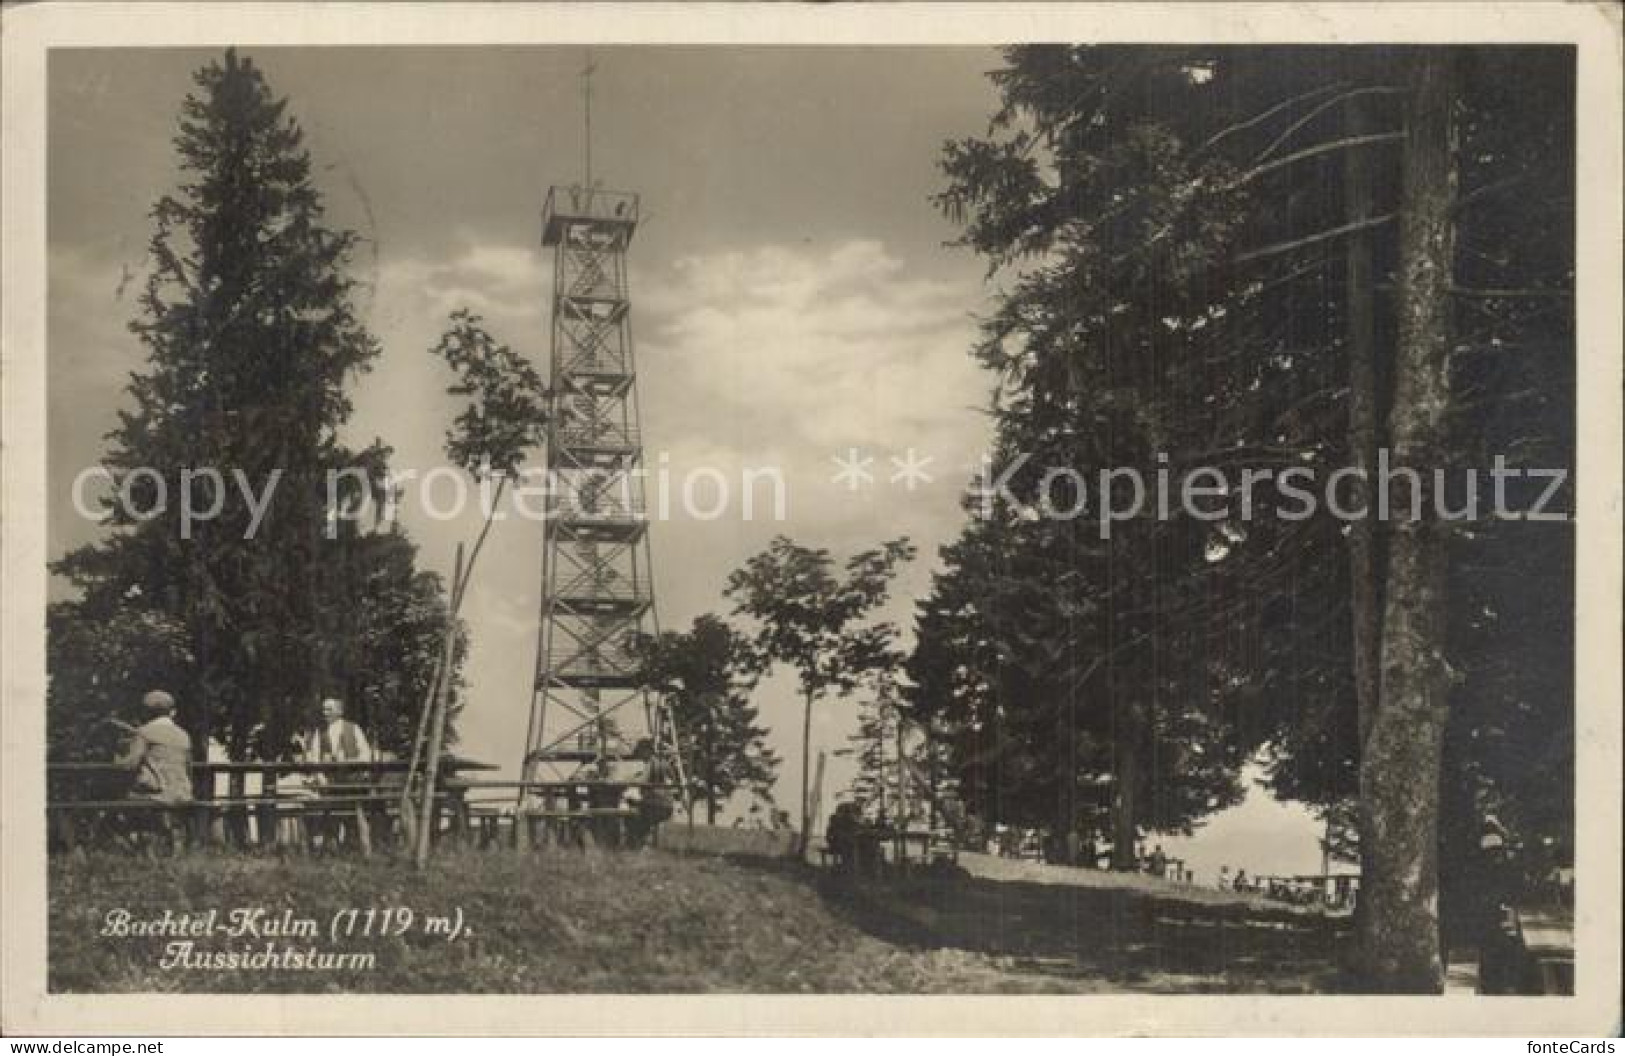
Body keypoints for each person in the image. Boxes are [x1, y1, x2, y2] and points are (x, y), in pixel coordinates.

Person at [115, 690, 193, 851]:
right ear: (171, 711)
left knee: (117, 799)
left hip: (158, 794)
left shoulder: (145, 732)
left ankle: (135, 845)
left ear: (147, 711)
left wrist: (117, 759)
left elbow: (130, 764)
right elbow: (188, 767)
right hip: (183, 793)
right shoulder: (183, 735)